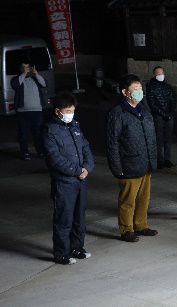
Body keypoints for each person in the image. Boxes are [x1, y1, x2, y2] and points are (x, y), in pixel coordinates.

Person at [42, 92, 94, 265]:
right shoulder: (50, 130)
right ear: (58, 111)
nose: (71, 113)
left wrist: (87, 167)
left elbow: (86, 147)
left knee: (80, 217)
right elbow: (54, 158)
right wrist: (76, 171)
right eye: (68, 110)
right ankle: (61, 253)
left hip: (81, 180)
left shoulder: (75, 126)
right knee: (64, 219)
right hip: (64, 183)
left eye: (73, 110)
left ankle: (77, 247)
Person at [106, 74, 158, 242]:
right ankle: (126, 229)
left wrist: (154, 159)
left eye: (140, 89)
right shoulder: (118, 113)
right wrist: (117, 167)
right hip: (128, 163)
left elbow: (151, 137)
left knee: (144, 198)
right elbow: (112, 142)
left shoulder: (144, 109)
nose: (139, 92)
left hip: (146, 162)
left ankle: (141, 225)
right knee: (128, 200)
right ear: (125, 92)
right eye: (135, 90)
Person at [11, 60, 47, 160]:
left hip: (37, 111)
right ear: (21, 69)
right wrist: (24, 73)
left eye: (28, 67)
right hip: (22, 112)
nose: (26, 69)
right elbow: (15, 85)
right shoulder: (17, 79)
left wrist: (36, 74)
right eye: (24, 67)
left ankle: (41, 152)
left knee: (38, 133)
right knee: (23, 134)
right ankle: (25, 153)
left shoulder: (36, 79)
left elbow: (44, 84)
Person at [146, 66, 176, 169]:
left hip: (169, 116)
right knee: (159, 139)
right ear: (154, 75)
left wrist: (170, 113)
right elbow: (152, 104)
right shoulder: (151, 87)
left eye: (161, 73)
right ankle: (160, 160)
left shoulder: (168, 87)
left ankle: (167, 159)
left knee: (168, 138)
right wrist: (164, 114)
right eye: (158, 74)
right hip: (158, 116)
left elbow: (173, 100)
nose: (160, 75)